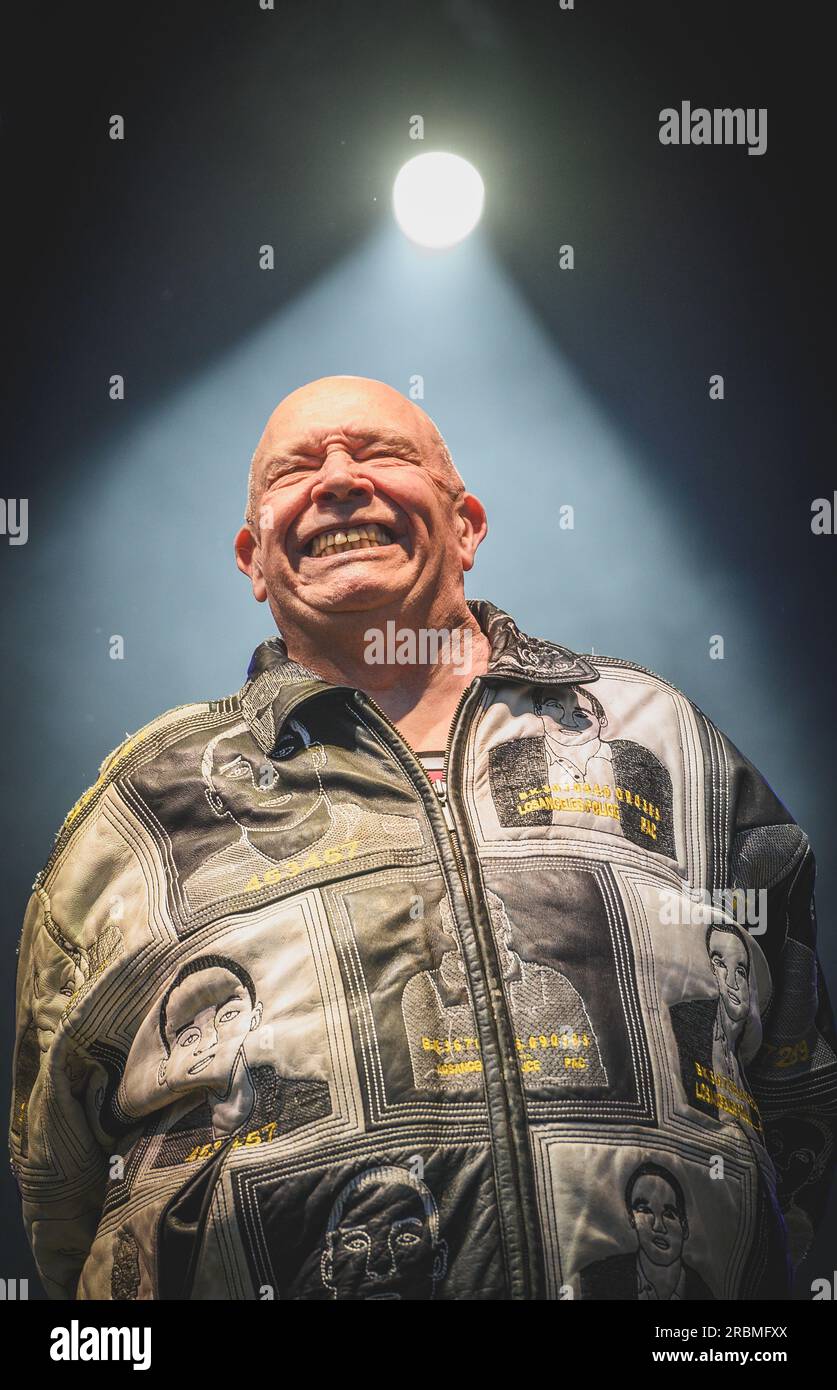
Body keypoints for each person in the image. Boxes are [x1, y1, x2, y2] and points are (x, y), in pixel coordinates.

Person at [9, 375, 837, 1300]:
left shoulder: (665, 741)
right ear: (252, 557)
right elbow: (61, 1182)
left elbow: (797, 1093)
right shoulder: (147, 805)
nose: (336, 481)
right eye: (295, 470)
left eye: (379, 454)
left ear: (468, 525)